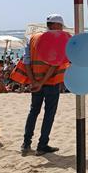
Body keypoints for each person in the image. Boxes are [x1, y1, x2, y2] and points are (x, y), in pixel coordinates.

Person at [13, 14, 70, 156]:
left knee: (33, 111)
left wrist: (34, 82)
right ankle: (42, 145)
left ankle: (26, 144)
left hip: (35, 82)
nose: (62, 29)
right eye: (61, 26)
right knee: (49, 114)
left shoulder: (32, 38)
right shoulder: (56, 40)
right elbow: (54, 64)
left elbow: (26, 61)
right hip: (50, 83)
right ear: (56, 26)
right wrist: (42, 82)